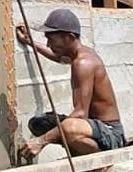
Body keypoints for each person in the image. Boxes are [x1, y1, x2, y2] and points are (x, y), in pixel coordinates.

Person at [15, 9, 125, 159]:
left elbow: (80, 114)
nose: (48, 43)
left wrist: (41, 142)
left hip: (110, 133)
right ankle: (81, 157)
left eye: (51, 39)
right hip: (94, 127)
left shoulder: (83, 63)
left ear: (69, 37)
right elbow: (57, 57)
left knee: (70, 127)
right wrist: (29, 41)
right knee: (40, 124)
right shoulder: (77, 56)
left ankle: (102, 164)